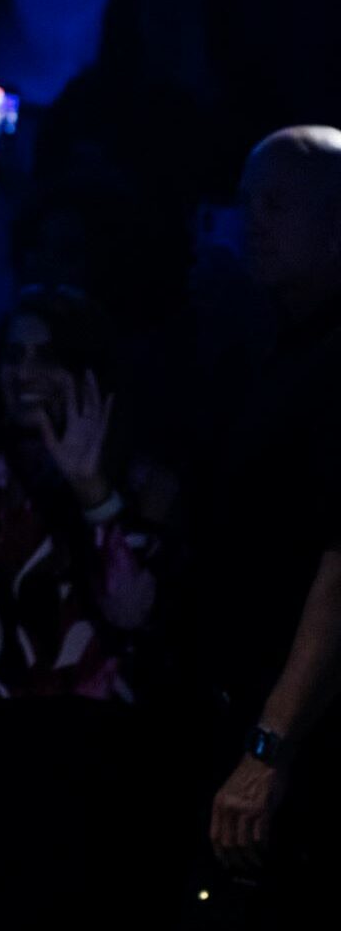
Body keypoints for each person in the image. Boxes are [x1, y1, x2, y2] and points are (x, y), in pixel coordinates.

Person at [0, 287, 180, 929]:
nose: (24, 373)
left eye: (45, 355)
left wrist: (92, 491)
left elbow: (135, 613)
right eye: (13, 355)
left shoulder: (140, 480)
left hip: (88, 762)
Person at [191, 126, 341, 929]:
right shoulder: (272, 350)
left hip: (301, 754)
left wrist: (268, 746)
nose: (254, 222)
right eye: (248, 202)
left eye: (277, 203)